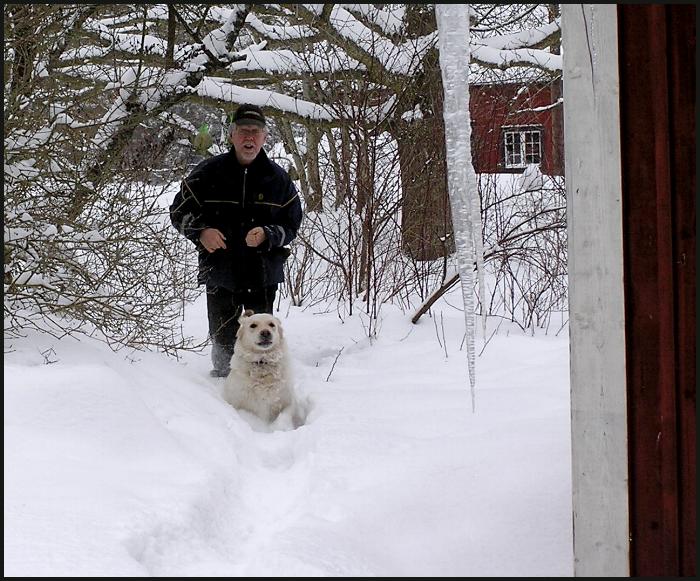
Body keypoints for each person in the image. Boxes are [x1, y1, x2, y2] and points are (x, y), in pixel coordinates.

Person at [170, 104, 303, 377]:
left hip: (263, 272)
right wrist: (201, 232)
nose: (249, 138)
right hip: (220, 270)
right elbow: (178, 212)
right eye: (243, 131)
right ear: (232, 135)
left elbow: (292, 224)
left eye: (256, 132)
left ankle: (262, 392)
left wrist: (269, 234)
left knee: (262, 340)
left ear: (265, 137)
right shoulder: (208, 173)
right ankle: (223, 393)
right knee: (223, 339)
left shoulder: (278, 179)